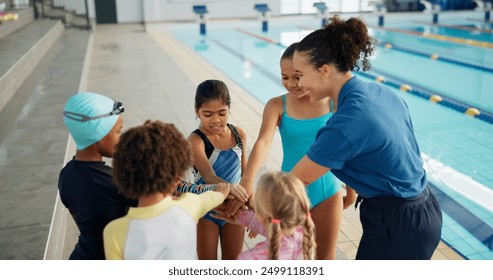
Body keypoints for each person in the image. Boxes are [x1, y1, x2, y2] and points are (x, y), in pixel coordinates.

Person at [290, 15, 443, 260]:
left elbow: (294, 181)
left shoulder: (349, 121)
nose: (298, 84)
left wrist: (250, 208)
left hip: (401, 221)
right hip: (416, 210)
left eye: (300, 74)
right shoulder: (379, 91)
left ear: (324, 71)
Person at [230, 42, 355, 259]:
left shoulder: (332, 104)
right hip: (287, 194)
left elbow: (345, 147)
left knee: (325, 259)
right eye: (285, 77)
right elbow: (263, 142)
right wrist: (248, 181)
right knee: (286, 257)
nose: (291, 84)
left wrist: (351, 189)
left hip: (327, 191)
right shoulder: (277, 105)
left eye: (297, 76)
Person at [103, 120, 231, 260]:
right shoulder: (189, 206)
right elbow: (213, 196)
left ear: (122, 176)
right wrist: (223, 191)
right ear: (176, 180)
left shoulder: (114, 232)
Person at [58, 92, 137, 260]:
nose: (121, 139)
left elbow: (83, 224)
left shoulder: (66, 175)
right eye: (118, 132)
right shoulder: (114, 182)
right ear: (97, 134)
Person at [189, 79, 248, 260]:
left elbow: (245, 173)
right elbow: (208, 176)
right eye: (208, 114)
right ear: (197, 111)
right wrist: (232, 187)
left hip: (234, 208)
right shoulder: (196, 140)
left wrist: (250, 206)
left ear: (229, 109)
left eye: (222, 113)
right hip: (208, 211)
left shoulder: (238, 134)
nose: (216, 120)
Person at [212, 171, 316, 260]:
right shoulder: (304, 236)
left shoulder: (249, 259)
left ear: (260, 214)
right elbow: (272, 225)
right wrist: (240, 215)